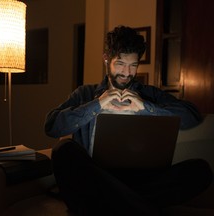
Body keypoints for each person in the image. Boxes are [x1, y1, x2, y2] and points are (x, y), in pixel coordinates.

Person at [44, 25, 212, 215]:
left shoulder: (149, 94)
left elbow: (192, 115)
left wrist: (146, 108)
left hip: (141, 178)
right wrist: (97, 105)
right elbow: (51, 126)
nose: (126, 73)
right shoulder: (85, 94)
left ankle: (114, 206)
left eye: (133, 65)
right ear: (106, 59)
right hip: (97, 176)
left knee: (200, 171)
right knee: (63, 149)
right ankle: (135, 206)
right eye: (120, 64)